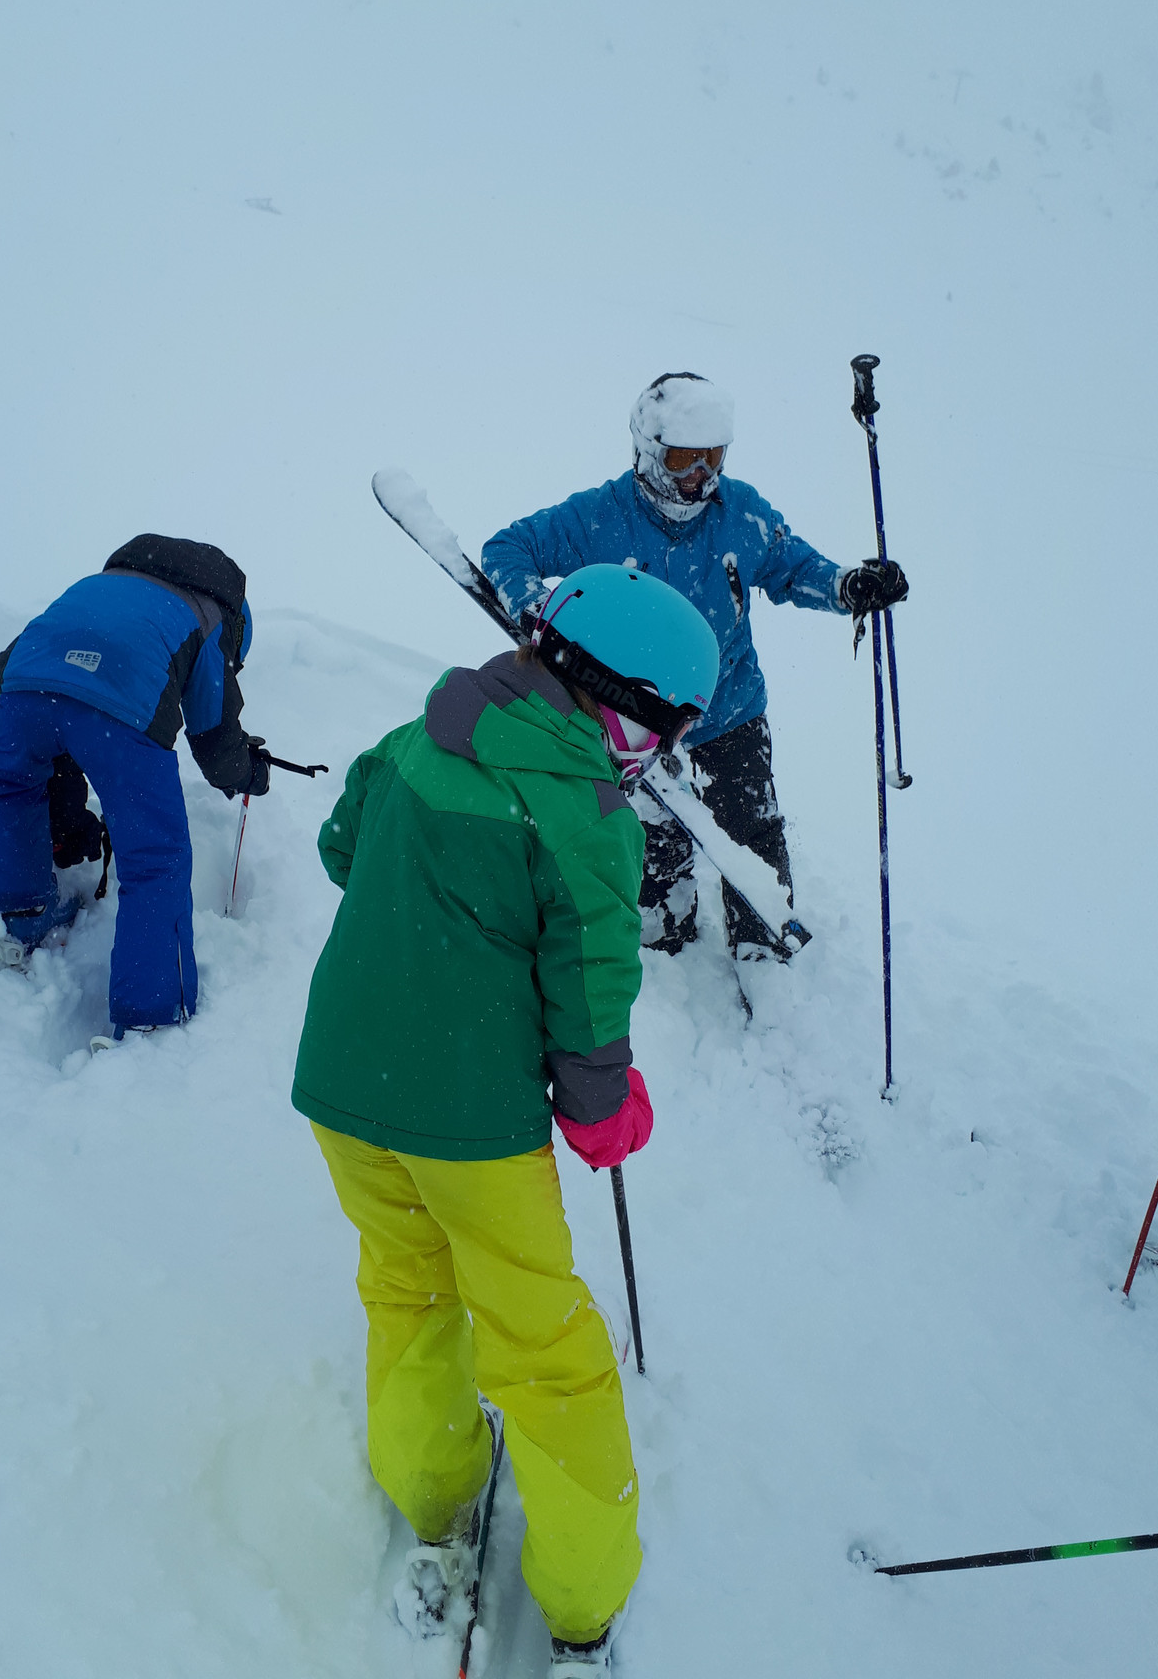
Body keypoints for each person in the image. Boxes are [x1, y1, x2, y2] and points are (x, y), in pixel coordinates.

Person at [292, 564, 719, 1676]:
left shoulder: (418, 735)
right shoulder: (587, 815)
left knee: (407, 1286)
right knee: (543, 1347)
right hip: (471, 1121)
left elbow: (341, 848)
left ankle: (435, 1496)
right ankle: (582, 1600)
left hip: (344, 1084)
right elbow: (589, 994)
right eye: (658, 732)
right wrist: (602, 1106)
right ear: (618, 704)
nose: (651, 757)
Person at [481, 371, 908, 963]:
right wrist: (541, 617)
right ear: (647, 450)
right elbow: (507, 550)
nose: (700, 475)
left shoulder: (741, 513)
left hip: (730, 706)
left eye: (713, 457)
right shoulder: (600, 516)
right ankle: (663, 932)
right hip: (637, 716)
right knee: (655, 836)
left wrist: (845, 586)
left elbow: (793, 567)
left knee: (751, 827)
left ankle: (761, 948)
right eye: (683, 459)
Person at [0, 533, 271, 1038]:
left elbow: (7, 665)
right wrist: (249, 773)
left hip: (26, 690)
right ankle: (150, 1014)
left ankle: (14, 915)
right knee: (155, 855)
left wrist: (57, 742)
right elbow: (216, 742)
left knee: (6, 787)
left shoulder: (100, 584)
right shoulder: (212, 617)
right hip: (121, 712)